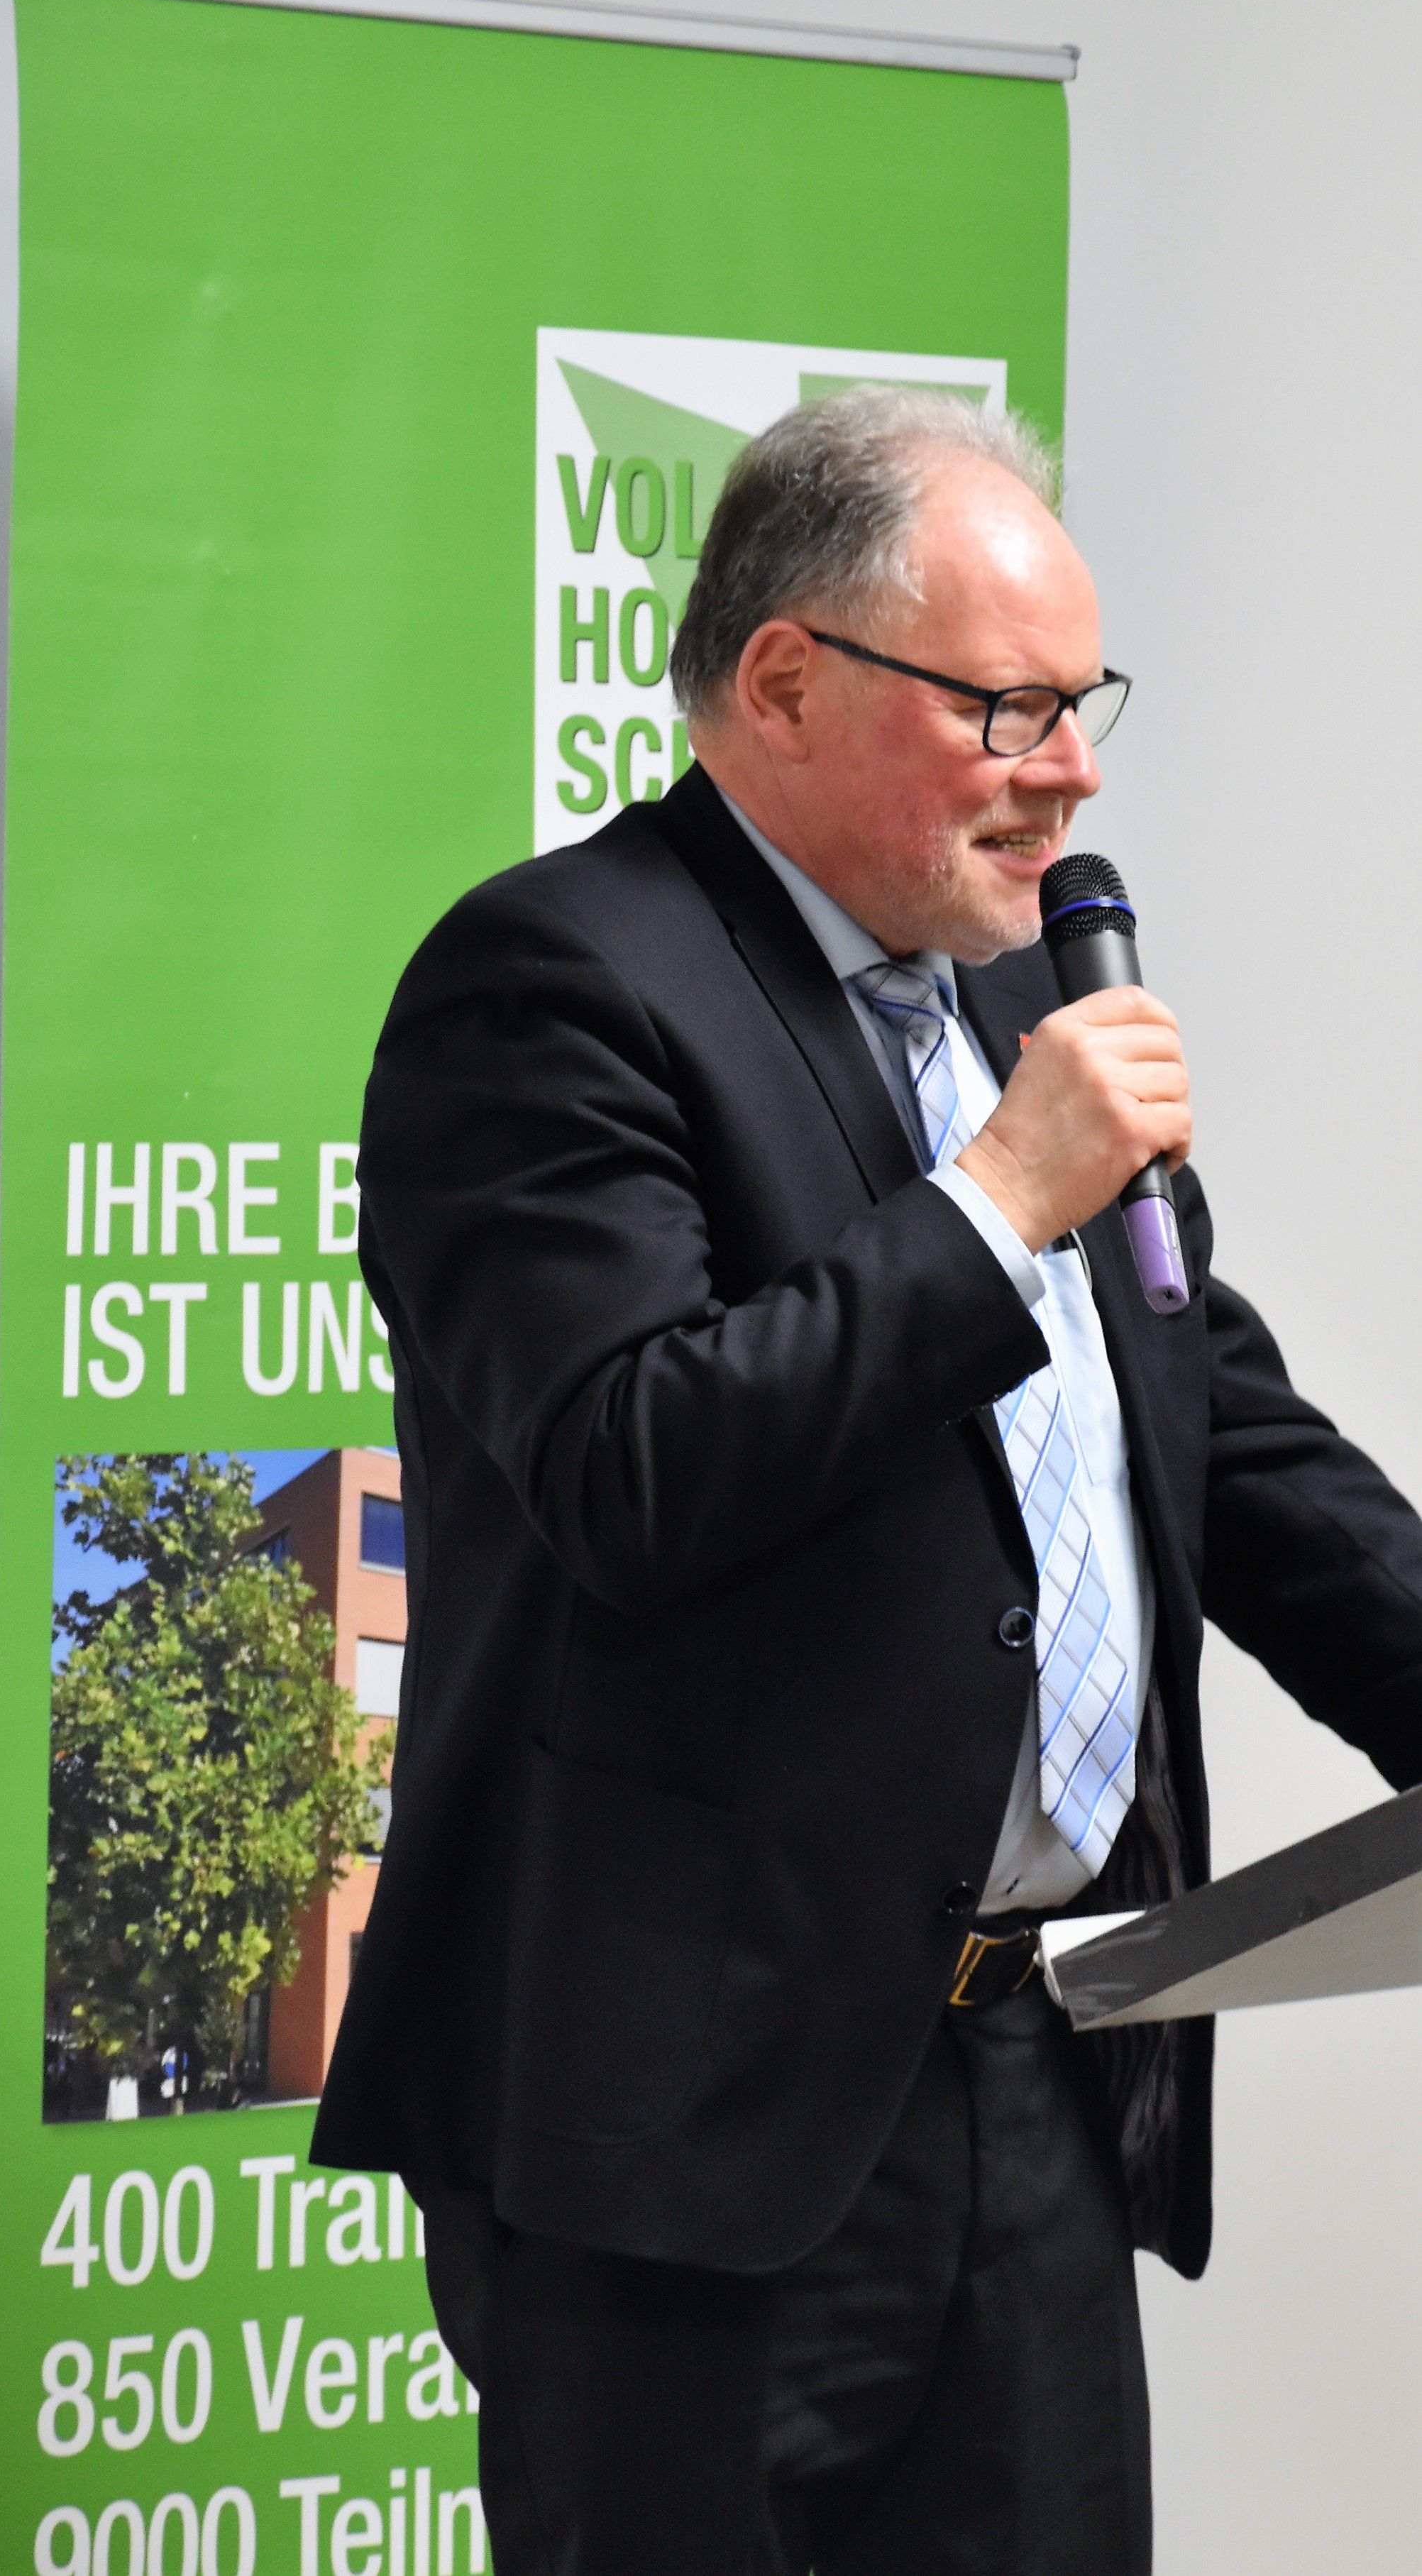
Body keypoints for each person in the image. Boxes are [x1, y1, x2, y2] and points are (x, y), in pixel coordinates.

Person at [312, 389, 1422, 2574]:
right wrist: (1001, 1196)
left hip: (1043, 2067)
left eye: (1083, 703)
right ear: (787, 681)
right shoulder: (551, 989)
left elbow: (1219, 1432)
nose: (1072, 770)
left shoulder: (1008, 1003)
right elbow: (637, 1465)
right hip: (692, 2136)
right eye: (1009, 708)